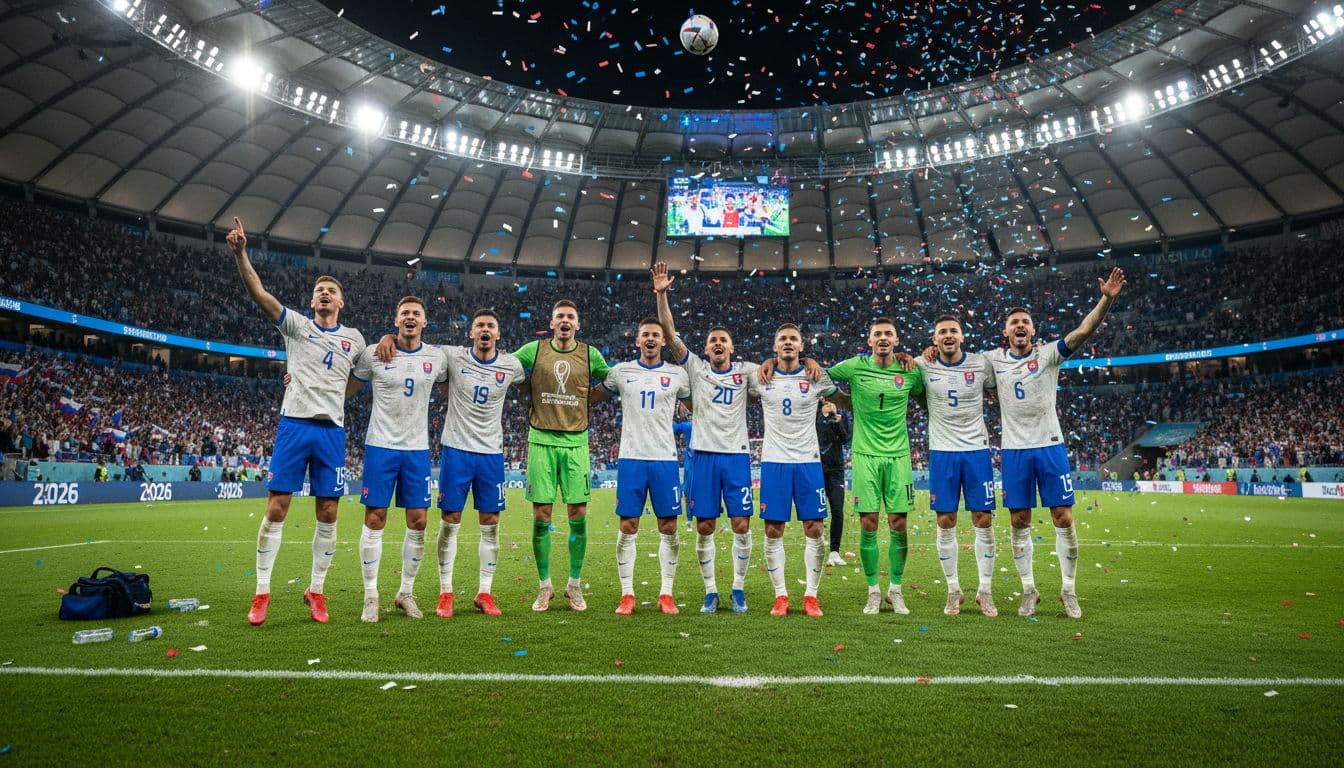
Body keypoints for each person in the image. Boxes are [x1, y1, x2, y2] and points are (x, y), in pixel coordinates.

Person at [652, 262, 822, 613]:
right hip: (702, 455)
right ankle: (711, 591)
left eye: (723, 340)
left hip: (736, 457)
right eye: (713, 341)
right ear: (706, 349)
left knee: (742, 524)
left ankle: (738, 588)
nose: (718, 344)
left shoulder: (748, 372)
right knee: (705, 526)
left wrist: (804, 359)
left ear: (731, 348)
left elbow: (784, 366)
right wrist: (661, 294)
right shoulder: (695, 368)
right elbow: (669, 333)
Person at [228, 217, 366, 626]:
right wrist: (241, 254)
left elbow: (364, 374)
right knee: (277, 507)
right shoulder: (296, 326)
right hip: (294, 425)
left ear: (341, 302)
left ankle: (316, 590)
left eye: (331, 291)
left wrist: (338, 396)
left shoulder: (355, 339)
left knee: (329, 511)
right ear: (312, 300)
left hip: (331, 432)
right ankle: (262, 592)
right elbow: (259, 293)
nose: (324, 293)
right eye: (319, 290)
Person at [989, 267, 1126, 619]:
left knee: (1063, 518)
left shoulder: (1048, 354)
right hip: (1015, 451)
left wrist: (1106, 300)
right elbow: (957, 365)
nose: (1020, 326)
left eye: (1025, 322)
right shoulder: (993, 361)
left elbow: (1083, 330)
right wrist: (927, 353)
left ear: (1033, 330)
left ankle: (1068, 590)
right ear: (1006, 332)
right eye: (1014, 322)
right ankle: (1029, 590)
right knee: (1019, 520)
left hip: (1050, 447)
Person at [812, 318, 924, 615]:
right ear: (870, 340)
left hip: (899, 456)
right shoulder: (855, 366)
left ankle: (896, 590)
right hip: (865, 456)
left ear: (896, 340)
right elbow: (820, 376)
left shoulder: (910, 370)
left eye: (888, 334)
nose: (883, 338)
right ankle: (874, 591)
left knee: (898, 523)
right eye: (878, 334)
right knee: (868, 523)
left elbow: (927, 396)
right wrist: (844, 399)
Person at [346, 296, 446, 623]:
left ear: (425, 321)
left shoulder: (438, 357)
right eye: (405, 313)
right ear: (396, 319)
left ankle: (405, 592)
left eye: (416, 313)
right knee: (375, 519)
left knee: (418, 521)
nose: (410, 317)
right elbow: (344, 386)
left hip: (417, 450)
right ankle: (370, 595)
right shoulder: (375, 353)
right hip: (381, 446)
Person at [514, 299, 611, 612]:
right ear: (552, 323)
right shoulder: (535, 350)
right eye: (560, 316)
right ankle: (545, 586)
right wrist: (524, 386)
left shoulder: (590, 354)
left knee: (578, 515)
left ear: (577, 324)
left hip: (576, 443)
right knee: (541, 516)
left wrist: (595, 395)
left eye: (570, 317)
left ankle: (574, 585)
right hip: (541, 440)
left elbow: (613, 381)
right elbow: (504, 368)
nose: (565, 321)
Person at [593, 318, 691, 615]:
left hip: (665, 460)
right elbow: (593, 396)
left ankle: (666, 593)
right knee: (628, 526)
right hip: (631, 458)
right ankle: (627, 594)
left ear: (663, 341)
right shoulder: (621, 372)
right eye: (645, 334)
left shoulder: (677, 374)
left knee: (669, 526)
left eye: (655, 335)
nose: (650, 338)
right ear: (637, 341)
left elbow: (698, 403)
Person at [749, 324, 838, 617]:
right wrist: (768, 363)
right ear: (775, 347)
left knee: (815, 528)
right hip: (774, 462)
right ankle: (781, 595)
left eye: (793, 339)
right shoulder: (761, 376)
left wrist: (813, 363)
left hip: (808, 461)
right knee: (773, 529)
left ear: (801, 346)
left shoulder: (816, 376)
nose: (788, 343)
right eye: (782, 339)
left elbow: (840, 396)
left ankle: (811, 595)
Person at [917, 314, 999, 617]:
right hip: (942, 453)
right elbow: (898, 365)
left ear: (962, 336)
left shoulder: (980, 363)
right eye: (942, 332)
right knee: (945, 520)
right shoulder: (922, 365)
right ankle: (953, 590)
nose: (948, 335)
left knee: (983, 519)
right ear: (934, 339)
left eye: (953, 331)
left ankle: (985, 590)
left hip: (976, 451)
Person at [816, 400, 851, 567]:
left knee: (837, 510)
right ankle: (817, 543)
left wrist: (837, 419)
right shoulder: (813, 415)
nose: (827, 403)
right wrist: (823, 416)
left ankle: (834, 552)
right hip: (816, 468)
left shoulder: (841, 416)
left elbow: (845, 438)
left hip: (836, 470)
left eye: (829, 400)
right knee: (817, 510)